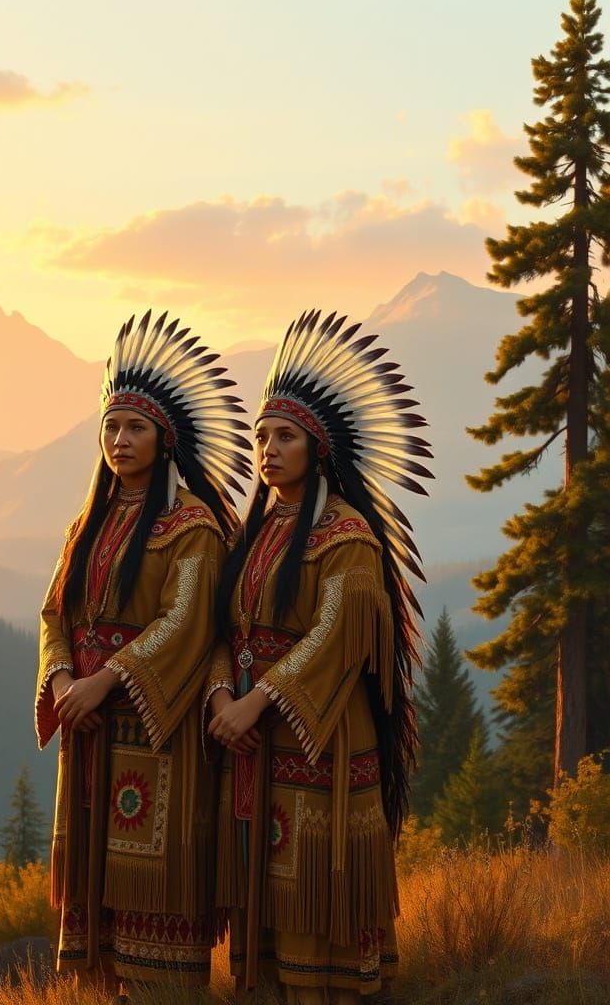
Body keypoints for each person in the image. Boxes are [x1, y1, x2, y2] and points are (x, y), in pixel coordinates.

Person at [206, 309, 433, 1004]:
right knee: (265, 898)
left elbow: (333, 637)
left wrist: (253, 701)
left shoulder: (349, 535)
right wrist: (221, 694)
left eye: (285, 437)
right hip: (257, 745)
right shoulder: (255, 533)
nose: (268, 450)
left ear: (319, 448)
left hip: (323, 744)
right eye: (261, 437)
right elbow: (226, 629)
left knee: (312, 894)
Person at [34, 310, 251, 991]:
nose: (120, 441)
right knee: (93, 926)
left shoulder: (194, 527)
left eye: (135, 428)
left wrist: (107, 684)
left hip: (159, 736)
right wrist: (66, 679)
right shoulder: (85, 525)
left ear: (166, 439)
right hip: (89, 731)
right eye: (111, 427)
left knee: (153, 916)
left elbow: (186, 622)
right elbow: (55, 611)